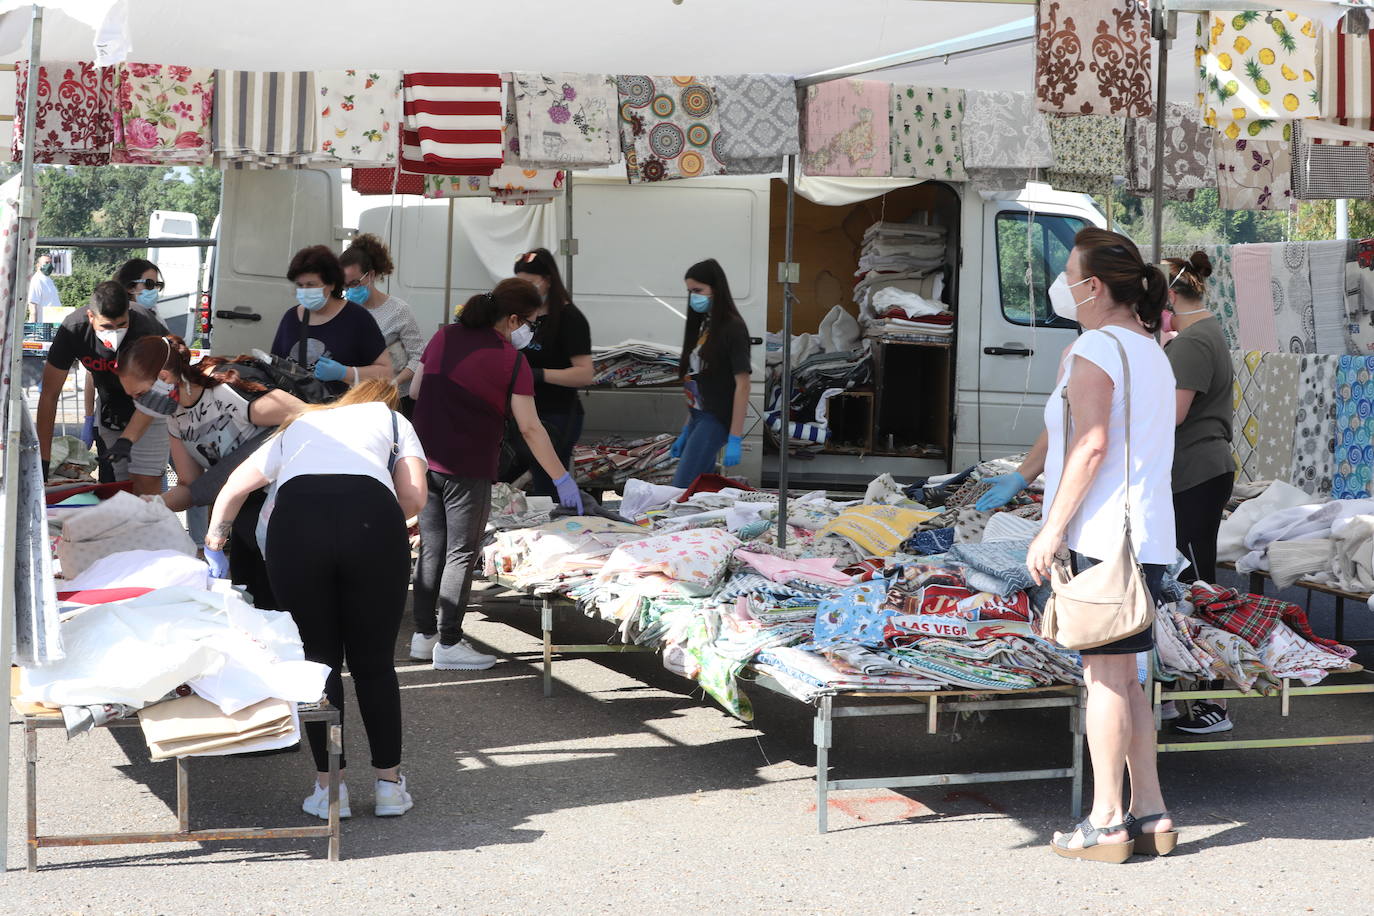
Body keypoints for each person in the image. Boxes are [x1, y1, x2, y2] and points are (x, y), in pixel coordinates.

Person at [979, 229, 1177, 862]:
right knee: (1130, 680)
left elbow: (1090, 444)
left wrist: (1051, 528)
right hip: (1146, 536)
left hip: (1102, 537)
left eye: (1068, 274)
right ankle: (1151, 814)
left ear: (1093, 287)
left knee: (1106, 681)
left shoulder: (1097, 347)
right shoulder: (1149, 349)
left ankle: (1107, 821)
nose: (1061, 284)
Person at [206, 380, 427, 820]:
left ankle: (330, 790)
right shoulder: (394, 420)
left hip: (297, 524)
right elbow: (414, 495)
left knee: (317, 660)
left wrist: (216, 538)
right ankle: (388, 786)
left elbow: (235, 486)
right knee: (375, 664)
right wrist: (371, 522)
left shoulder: (301, 424)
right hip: (371, 521)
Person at [408, 279, 584, 670]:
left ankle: (424, 637)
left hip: (424, 458)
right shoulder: (512, 361)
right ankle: (450, 644)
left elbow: (417, 391)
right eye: (532, 323)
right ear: (514, 318)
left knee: (431, 548)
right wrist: (561, 478)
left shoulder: (444, 336)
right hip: (467, 465)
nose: (532, 331)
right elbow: (531, 429)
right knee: (460, 553)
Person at [116, 334, 305, 596]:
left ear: (164, 378)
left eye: (140, 394)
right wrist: (147, 508)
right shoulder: (176, 419)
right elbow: (191, 485)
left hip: (290, 507)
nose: (139, 404)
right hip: (244, 513)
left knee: (291, 599)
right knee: (256, 595)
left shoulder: (227, 388)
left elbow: (308, 417)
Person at [1161, 251, 1236, 736]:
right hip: (1199, 471)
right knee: (1190, 581)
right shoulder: (1201, 333)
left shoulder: (1191, 343)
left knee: (1196, 586)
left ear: (1169, 294)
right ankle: (1176, 690)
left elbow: (1172, 415)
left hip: (1195, 473)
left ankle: (1215, 702)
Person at [36, 280, 169, 494]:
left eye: (122, 325)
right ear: (91, 317)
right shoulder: (73, 329)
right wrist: (42, 461)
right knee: (118, 489)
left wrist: (128, 439)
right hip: (109, 409)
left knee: (145, 485)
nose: (114, 333)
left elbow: (159, 390)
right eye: (106, 327)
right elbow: (49, 396)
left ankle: (151, 525)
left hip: (150, 407)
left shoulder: (146, 326)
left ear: (129, 314)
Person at [509, 248, 594, 496]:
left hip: (557, 415)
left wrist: (539, 374)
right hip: (524, 412)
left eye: (529, 282)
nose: (525, 288)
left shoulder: (570, 318)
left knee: (548, 483)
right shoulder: (522, 317)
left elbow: (584, 374)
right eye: (518, 283)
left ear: (547, 280)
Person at [669, 259, 751, 488]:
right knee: (697, 488)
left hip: (714, 419)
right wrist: (686, 429)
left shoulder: (733, 328)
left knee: (681, 486)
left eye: (698, 290)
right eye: (690, 291)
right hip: (699, 416)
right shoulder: (705, 326)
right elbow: (697, 383)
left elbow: (743, 385)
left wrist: (735, 437)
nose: (693, 297)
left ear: (716, 288)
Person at [271, 244, 392, 400]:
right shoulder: (291, 318)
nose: (304, 290)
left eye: (311, 285)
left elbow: (386, 372)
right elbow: (274, 367)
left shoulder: (357, 318)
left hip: (342, 413)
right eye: (300, 285)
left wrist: (345, 373)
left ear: (331, 284)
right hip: (297, 413)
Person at [339, 233, 426, 413]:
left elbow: (419, 357)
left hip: (395, 400)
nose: (350, 289)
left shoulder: (398, 310)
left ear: (370, 275)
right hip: (356, 400)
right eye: (345, 285)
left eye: (355, 282)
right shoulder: (343, 311)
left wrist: (394, 382)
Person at [28, 253, 61, 323]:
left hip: (53, 324)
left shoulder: (49, 280)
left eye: (50, 263)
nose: (49, 265)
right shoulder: (37, 280)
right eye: (46, 262)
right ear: (38, 265)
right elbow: (32, 305)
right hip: (43, 326)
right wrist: (34, 328)